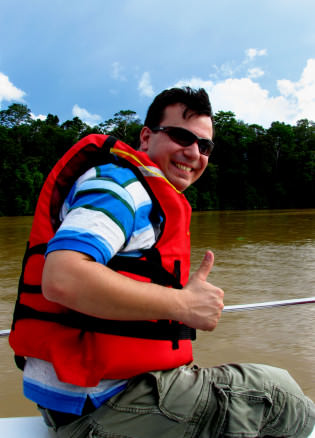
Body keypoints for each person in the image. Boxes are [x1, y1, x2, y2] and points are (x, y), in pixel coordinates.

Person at [10, 87, 315, 437]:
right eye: (182, 136)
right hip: (102, 409)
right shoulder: (119, 186)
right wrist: (183, 303)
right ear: (146, 137)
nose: (194, 152)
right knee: (282, 398)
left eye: (205, 146)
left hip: (81, 404)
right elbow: (62, 277)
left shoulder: (142, 195)